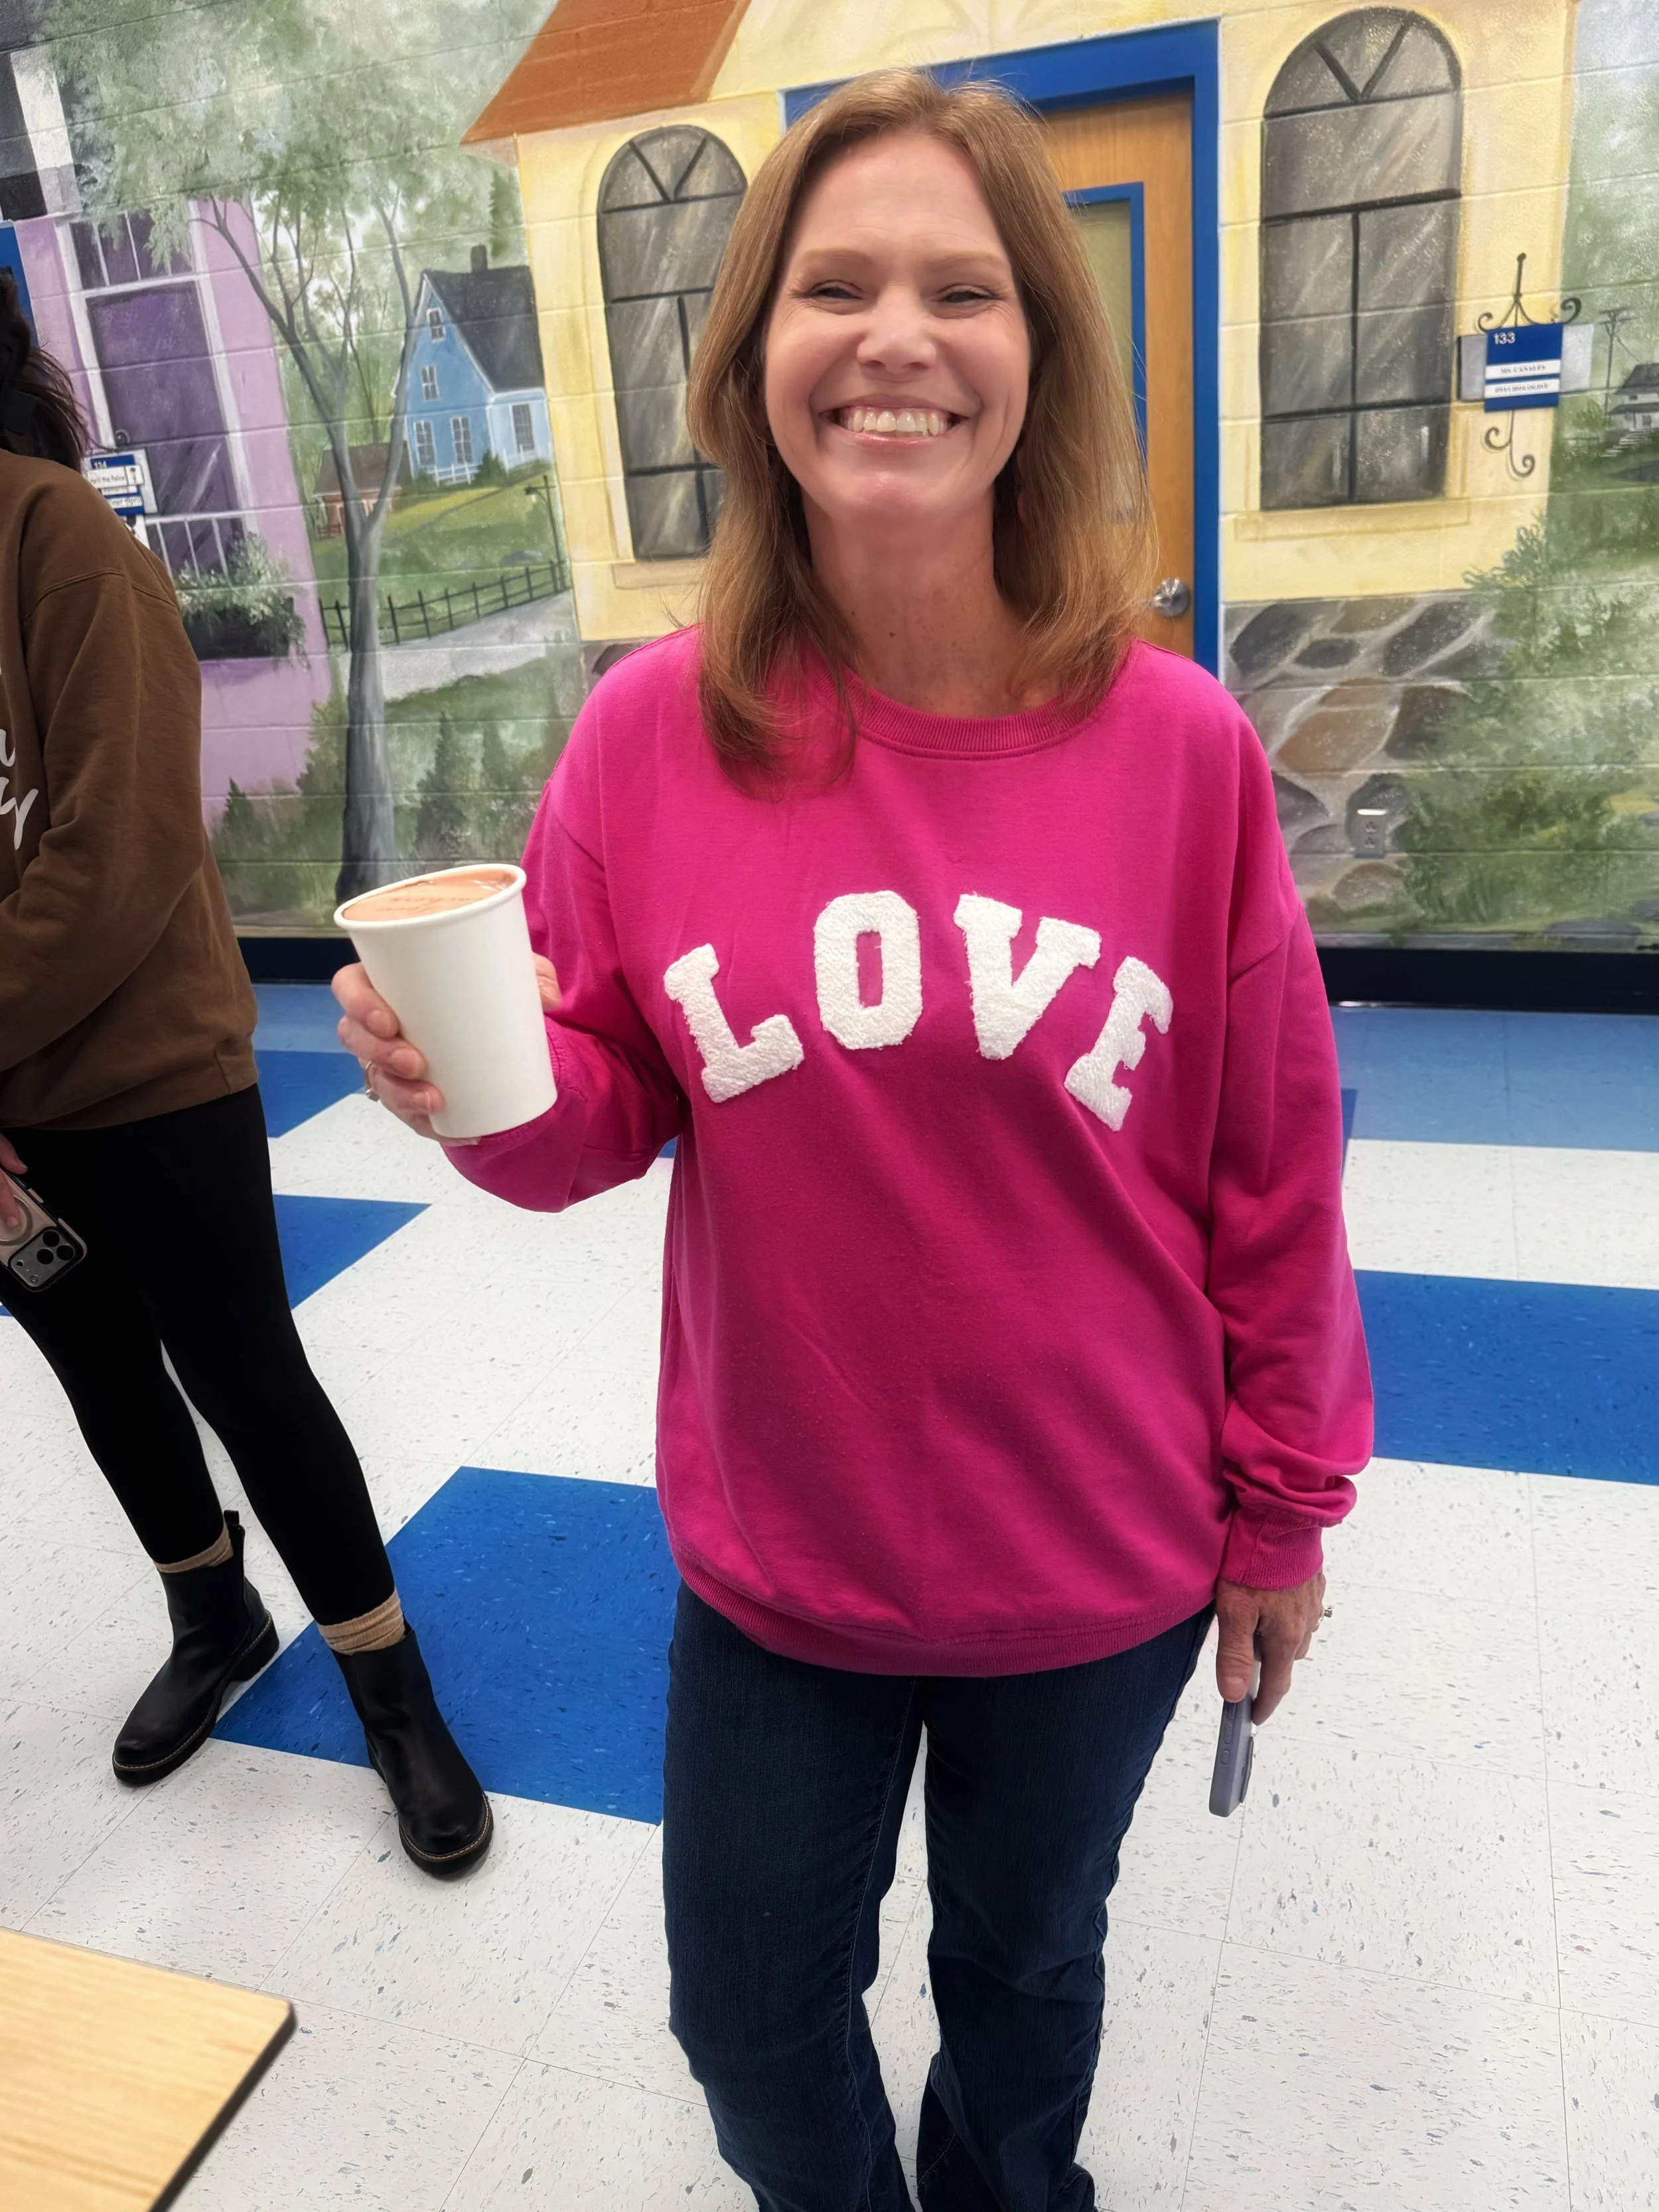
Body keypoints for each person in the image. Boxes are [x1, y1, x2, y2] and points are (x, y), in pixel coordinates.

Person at [337, 68, 1371, 2208]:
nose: (895, 335)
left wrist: (1279, 1512)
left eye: (960, 289)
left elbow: (1271, 1173)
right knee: (745, 2009)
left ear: (1036, 364)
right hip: (783, 1563)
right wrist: (469, 1092)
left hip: (1097, 1567)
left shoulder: (1177, 748)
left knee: (1024, 1963)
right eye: (835, 285)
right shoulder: (646, 736)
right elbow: (596, 1120)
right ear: (753, 358)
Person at [0, 277, 490, 1876]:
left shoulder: (58, 540)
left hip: (146, 1067)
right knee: (99, 1374)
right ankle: (211, 1613)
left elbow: (122, 851)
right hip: (7, 1105)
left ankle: (389, 1684)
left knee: (242, 1371)